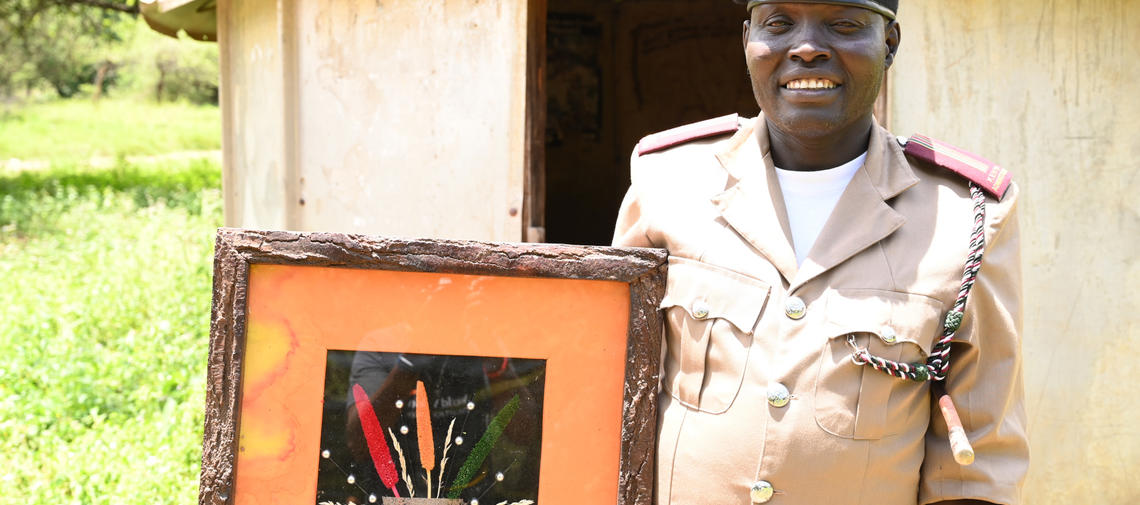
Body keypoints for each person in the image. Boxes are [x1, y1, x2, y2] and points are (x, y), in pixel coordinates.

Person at [611, 1, 1028, 504]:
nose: (807, 48)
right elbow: (607, 397)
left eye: (844, 25)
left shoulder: (963, 216)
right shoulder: (669, 182)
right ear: (747, 40)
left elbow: (978, 463)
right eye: (779, 24)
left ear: (889, 44)